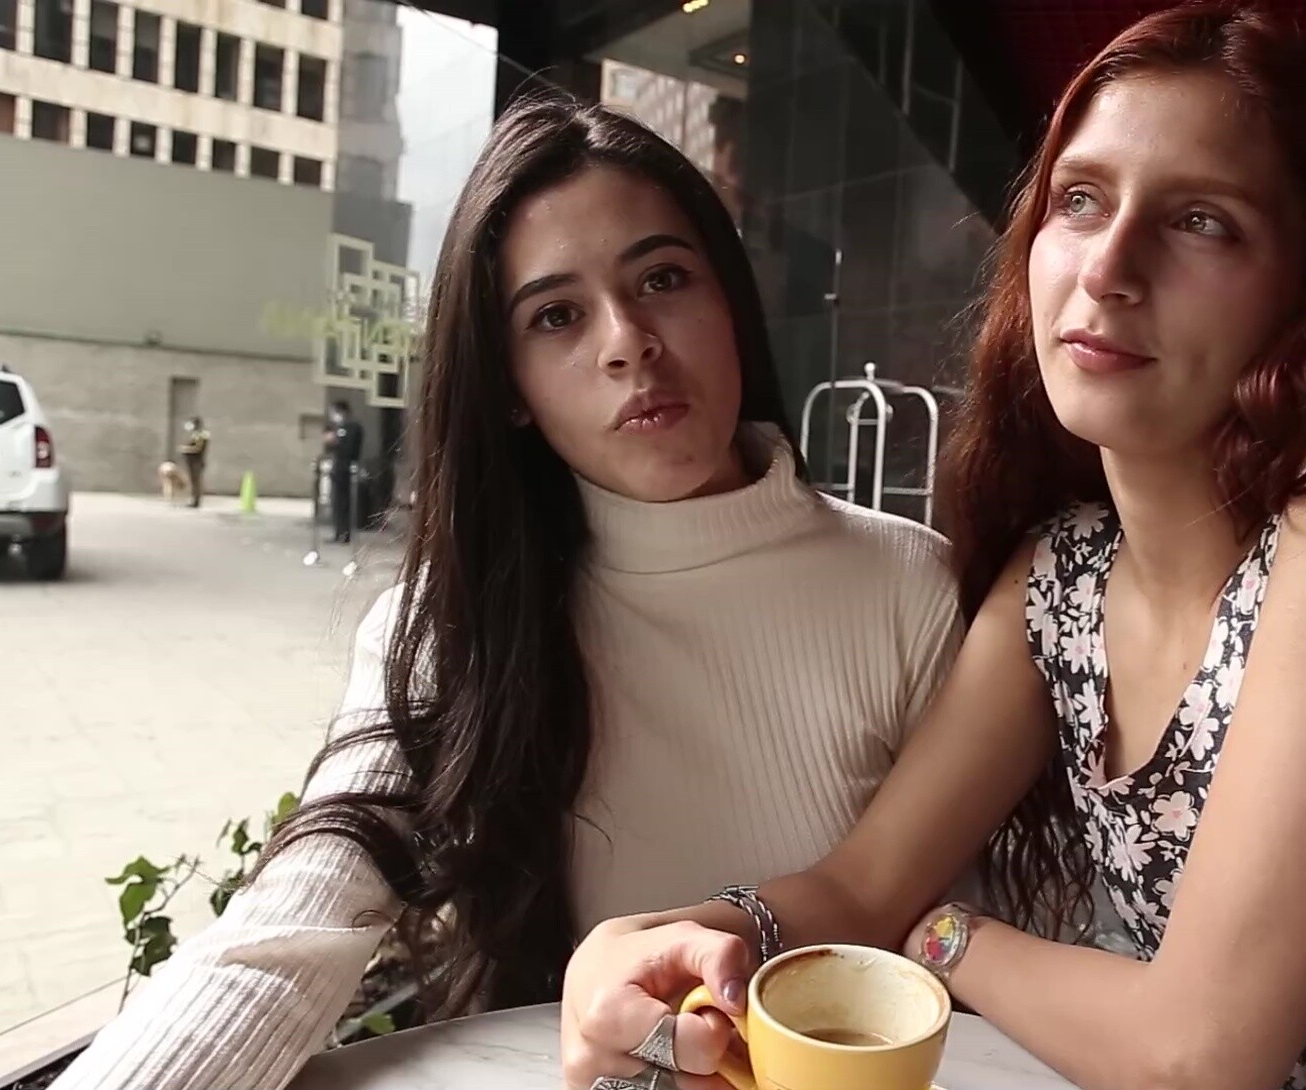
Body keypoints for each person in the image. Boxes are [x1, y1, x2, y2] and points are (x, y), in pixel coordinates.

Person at [561, 6, 1306, 1090]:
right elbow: (861, 886)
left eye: (1202, 222)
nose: (1108, 267)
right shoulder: (1063, 575)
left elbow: (1197, 1052)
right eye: (1080, 200)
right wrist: (669, 940)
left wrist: (942, 936)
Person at [53, 96, 961, 1090]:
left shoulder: (909, 583)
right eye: (556, 316)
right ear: (511, 390)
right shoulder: (456, 622)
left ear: (732, 302)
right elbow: (282, 942)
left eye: (663, 278)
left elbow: (965, 935)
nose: (628, 341)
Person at [324, 400, 365, 542]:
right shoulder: (337, 428)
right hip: (337, 467)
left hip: (345, 468)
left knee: (344, 502)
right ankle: (338, 531)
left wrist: (336, 441)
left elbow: (349, 448)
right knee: (336, 501)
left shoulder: (352, 427)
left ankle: (344, 532)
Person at [176, 417, 209, 508]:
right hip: (192, 462)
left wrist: (185, 449)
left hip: (197, 462)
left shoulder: (201, 435)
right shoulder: (196, 435)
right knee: (193, 481)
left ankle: (196, 501)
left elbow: (198, 448)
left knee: (196, 481)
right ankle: (194, 499)